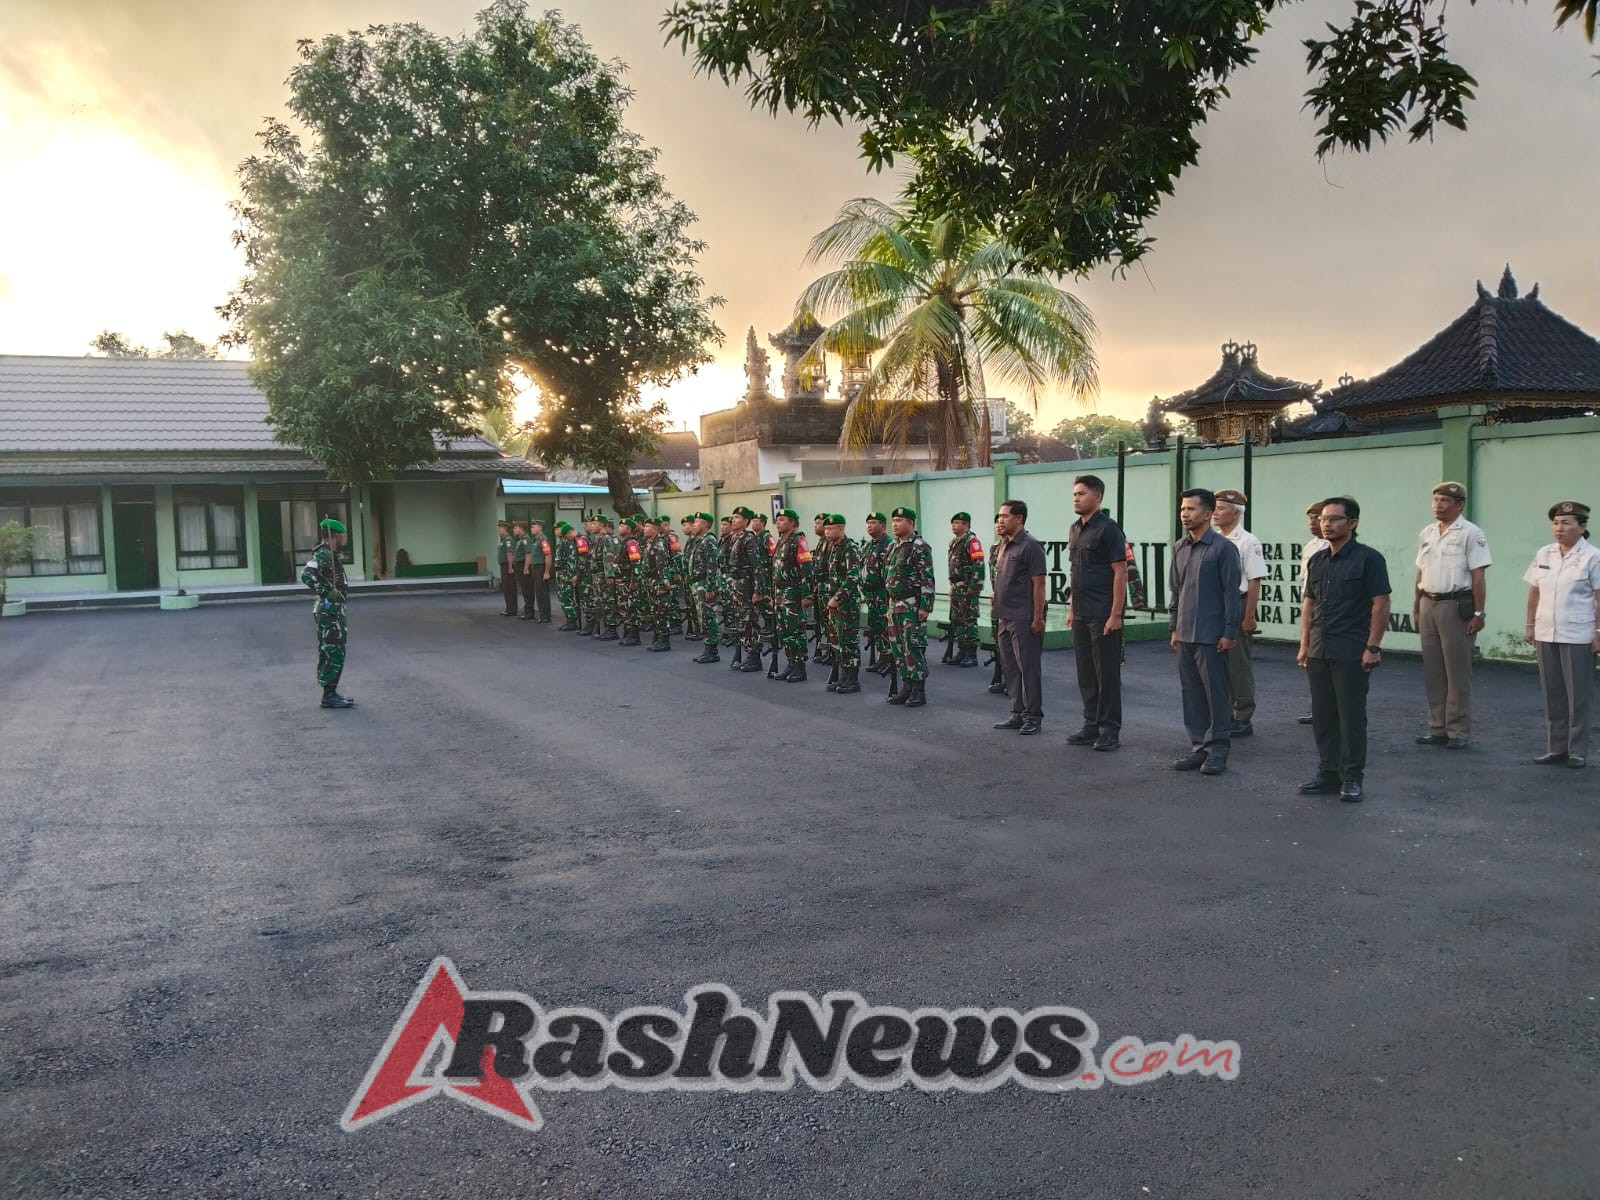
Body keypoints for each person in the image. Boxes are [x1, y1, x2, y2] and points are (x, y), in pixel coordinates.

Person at [1297, 497, 1391, 802]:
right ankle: (1328, 772)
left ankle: (1352, 778)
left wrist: (1373, 646)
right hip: (1319, 648)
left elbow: (1380, 603)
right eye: (1324, 519)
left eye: (1334, 519)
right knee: (1323, 716)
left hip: (1351, 649)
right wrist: (1304, 645)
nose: (1326, 524)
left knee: (1350, 716)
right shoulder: (1318, 560)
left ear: (1352, 524)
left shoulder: (1368, 559)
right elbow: (1310, 603)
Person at [1413, 481, 1492, 749]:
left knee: (1457, 670)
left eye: (1445, 501)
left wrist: (1479, 612)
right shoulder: (1427, 532)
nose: (1438, 505)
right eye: (1435, 500)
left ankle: (1458, 730)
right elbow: (1420, 571)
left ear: (1459, 505)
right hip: (1428, 602)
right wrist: (1416, 605)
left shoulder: (1471, 533)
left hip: (1455, 605)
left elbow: (1478, 575)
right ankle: (1437, 728)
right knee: (1433, 669)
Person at [1169, 488, 1241, 776]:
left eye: (1192, 509)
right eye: (1183, 509)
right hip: (1185, 633)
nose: (1185, 514)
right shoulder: (1179, 548)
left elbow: (1231, 593)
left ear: (1209, 513)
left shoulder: (1224, 548)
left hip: (1212, 635)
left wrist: (1229, 631)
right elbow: (1176, 589)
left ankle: (1218, 749)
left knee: (1216, 694)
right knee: (1191, 693)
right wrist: (1174, 626)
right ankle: (1199, 747)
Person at [1523, 500, 1600, 768]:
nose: (1559, 528)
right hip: (1547, 631)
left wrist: (1598, 632)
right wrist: (1530, 625)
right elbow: (1534, 591)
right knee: (1553, 692)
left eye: (1566, 523)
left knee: (1578, 695)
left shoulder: (1593, 556)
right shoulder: (1545, 554)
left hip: (1578, 633)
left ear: (1582, 527)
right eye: (1556, 523)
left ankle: (1576, 751)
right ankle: (1556, 748)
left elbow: (1599, 597)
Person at [1066, 477, 1126, 749]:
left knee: (1107, 674)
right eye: (1074, 494)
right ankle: (1091, 724)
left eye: (1081, 494)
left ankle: (1110, 730)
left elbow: (1120, 573)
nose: (1076, 498)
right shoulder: (1075, 529)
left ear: (1097, 497)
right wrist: (1071, 608)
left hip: (1102, 613)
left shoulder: (1109, 530)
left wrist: (1116, 614)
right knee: (1086, 673)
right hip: (1080, 611)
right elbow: (1075, 572)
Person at [1212, 489, 1268, 737]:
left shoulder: (1247, 541)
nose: (1215, 513)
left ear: (1236, 513)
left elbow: (1255, 580)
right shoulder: (1213, 540)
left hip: (1239, 602)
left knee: (1237, 664)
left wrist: (1249, 616)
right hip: (1216, 606)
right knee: (1218, 663)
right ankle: (1224, 713)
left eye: (1221, 508)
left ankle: (1242, 716)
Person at [991, 499, 1048, 735]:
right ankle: (1016, 713)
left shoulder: (1030, 546)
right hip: (1004, 617)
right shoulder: (1003, 545)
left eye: (1005, 516)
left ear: (1019, 519)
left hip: (1024, 617)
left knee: (1028, 668)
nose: (1000, 520)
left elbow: (1039, 583)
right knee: (1010, 668)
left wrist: (1037, 617)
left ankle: (1033, 716)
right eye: (999, 516)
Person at [884, 506, 935, 707]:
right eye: (894, 520)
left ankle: (918, 690)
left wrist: (925, 607)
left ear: (911, 523)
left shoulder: (919, 546)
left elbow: (927, 579)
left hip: (911, 605)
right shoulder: (893, 546)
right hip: (893, 604)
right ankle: (906, 686)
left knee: (913, 646)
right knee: (897, 648)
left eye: (899, 520)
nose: (895, 524)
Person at [301, 517, 354, 709]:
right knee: (333, 651)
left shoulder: (330, 553)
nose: (343, 539)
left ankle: (331, 692)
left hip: (333, 610)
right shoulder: (324, 554)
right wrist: (326, 591)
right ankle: (329, 695)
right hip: (329, 610)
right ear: (336, 536)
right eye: (342, 536)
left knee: (332, 650)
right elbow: (307, 574)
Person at [767, 507, 815, 681]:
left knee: (795, 630)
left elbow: (806, 568)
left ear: (792, 523)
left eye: (782, 520)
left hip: (793, 591)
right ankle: (790, 663)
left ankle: (800, 667)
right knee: (783, 630)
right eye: (778, 520)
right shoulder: (780, 542)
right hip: (780, 593)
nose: (778, 522)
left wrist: (806, 594)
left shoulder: (798, 540)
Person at [1297, 500, 1331, 724]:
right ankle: (1318, 708)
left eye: (1316, 517)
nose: (1312, 522)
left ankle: (1332, 709)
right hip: (1311, 604)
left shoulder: (1333, 546)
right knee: (1312, 661)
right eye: (1309, 517)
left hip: (1328, 607)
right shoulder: (1310, 547)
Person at [821, 514, 863, 694]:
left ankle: (852, 680)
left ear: (841, 529)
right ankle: (843, 676)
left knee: (849, 641)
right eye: (826, 529)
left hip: (847, 603)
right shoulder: (833, 547)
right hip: (835, 603)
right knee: (836, 640)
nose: (827, 532)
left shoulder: (849, 548)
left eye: (831, 529)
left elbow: (853, 577)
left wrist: (837, 598)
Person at [722, 506, 764, 672]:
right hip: (736, 584)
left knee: (749, 621)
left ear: (746, 521)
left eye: (738, 517)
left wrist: (757, 590)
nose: (733, 520)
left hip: (746, 585)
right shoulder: (733, 537)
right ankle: (746, 653)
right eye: (733, 517)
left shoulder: (748, 538)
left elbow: (756, 566)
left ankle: (754, 656)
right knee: (741, 621)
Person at [945, 512, 985, 667]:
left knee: (969, 620)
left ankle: (971, 654)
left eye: (957, 522)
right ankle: (961, 651)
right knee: (957, 620)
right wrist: (951, 586)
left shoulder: (972, 541)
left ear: (966, 525)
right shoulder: (954, 542)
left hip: (967, 586)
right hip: (956, 587)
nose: (954, 526)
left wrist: (974, 587)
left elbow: (979, 564)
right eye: (953, 523)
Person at [688, 513, 724, 664]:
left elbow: (712, 566)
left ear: (705, 525)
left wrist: (711, 587)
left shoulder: (709, 540)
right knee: (703, 616)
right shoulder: (698, 541)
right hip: (698, 584)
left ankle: (712, 651)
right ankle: (707, 648)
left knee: (709, 616)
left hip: (705, 584)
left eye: (696, 522)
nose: (693, 525)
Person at [860, 512, 892, 674]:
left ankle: (889, 660)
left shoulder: (888, 544)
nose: (869, 526)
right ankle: (881, 658)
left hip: (883, 594)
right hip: (871, 595)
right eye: (868, 523)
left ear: (882, 525)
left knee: (886, 627)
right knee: (876, 628)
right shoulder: (867, 546)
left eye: (873, 522)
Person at [643, 515, 681, 652]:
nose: (644, 529)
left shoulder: (658, 544)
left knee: (662, 613)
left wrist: (664, 586)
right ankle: (659, 638)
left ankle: (664, 641)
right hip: (652, 582)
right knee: (656, 612)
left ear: (655, 529)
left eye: (648, 527)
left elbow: (662, 567)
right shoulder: (650, 543)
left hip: (659, 584)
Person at [613, 516, 644, 647]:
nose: (619, 528)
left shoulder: (631, 543)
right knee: (624, 607)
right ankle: (627, 632)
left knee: (631, 607)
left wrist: (634, 580)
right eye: (619, 526)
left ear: (629, 529)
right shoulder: (623, 542)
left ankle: (634, 635)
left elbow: (636, 562)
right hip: (622, 580)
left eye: (622, 526)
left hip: (628, 580)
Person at [987, 513, 1008, 695]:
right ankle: (1003, 676)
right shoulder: (994, 547)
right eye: (996, 522)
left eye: (1003, 521)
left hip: (1015, 604)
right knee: (999, 641)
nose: (999, 525)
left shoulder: (1023, 545)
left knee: (1014, 647)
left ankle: (1015, 683)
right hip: (999, 601)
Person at [811, 513, 834, 664]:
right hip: (820, 587)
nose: (816, 526)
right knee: (824, 622)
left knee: (830, 623)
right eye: (816, 523)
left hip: (828, 587)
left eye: (819, 523)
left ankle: (833, 652)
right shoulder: (821, 542)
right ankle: (829, 651)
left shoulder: (830, 543)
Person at [526, 520, 553, 623]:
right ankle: (542, 614)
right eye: (531, 527)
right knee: (538, 592)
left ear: (540, 528)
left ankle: (545, 616)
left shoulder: (543, 540)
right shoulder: (536, 540)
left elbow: (548, 556)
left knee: (543, 593)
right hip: (536, 568)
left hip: (541, 568)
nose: (532, 528)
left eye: (534, 527)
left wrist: (546, 572)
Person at [554, 522, 580, 630]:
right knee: (563, 597)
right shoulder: (563, 542)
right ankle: (569, 620)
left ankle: (572, 621)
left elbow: (571, 560)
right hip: (561, 574)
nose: (556, 532)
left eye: (557, 529)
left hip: (566, 575)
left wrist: (570, 576)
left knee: (567, 598)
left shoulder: (568, 543)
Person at [510, 519, 535, 619]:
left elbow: (528, 553)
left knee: (527, 589)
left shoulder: (525, 539)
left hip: (524, 565)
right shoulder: (521, 540)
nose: (514, 530)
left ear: (521, 528)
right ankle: (527, 610)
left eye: (515, 528)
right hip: (519, 565)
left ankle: (529, 611)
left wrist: (525, 568)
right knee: (524, 589)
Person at [495, 519, 518, 616]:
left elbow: (509, 554)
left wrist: (510, 567)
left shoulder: (508, 540)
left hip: (507, 566)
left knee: (510, 588)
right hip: (503, 566)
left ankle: (512, 609)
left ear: (504, 529)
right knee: (506, 588)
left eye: (499, 528)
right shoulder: (503, 540)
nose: (498, 531)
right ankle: (509, 608)